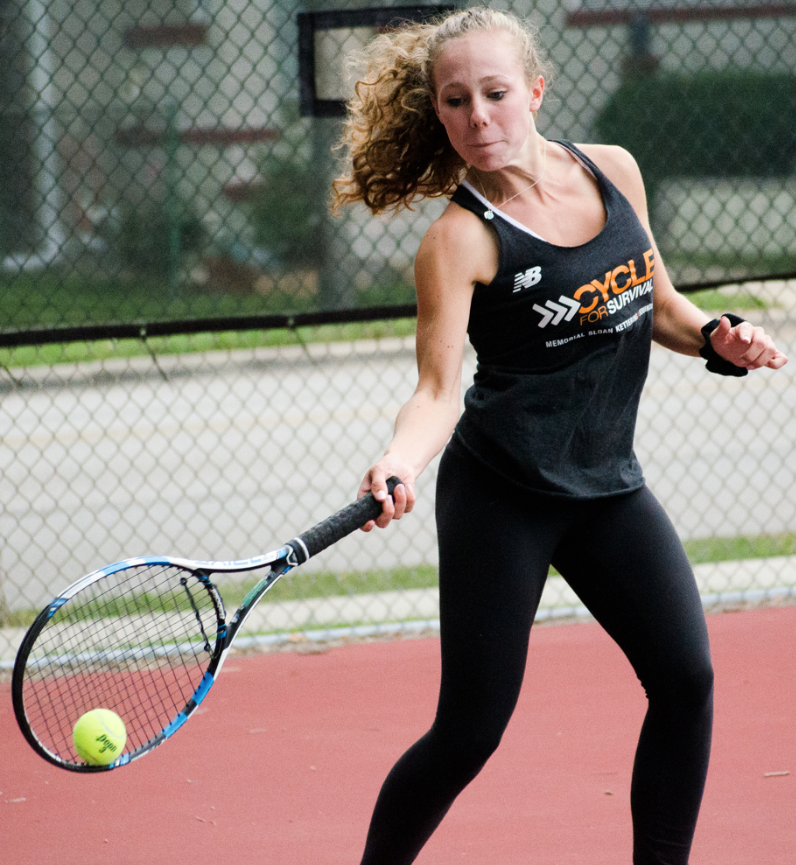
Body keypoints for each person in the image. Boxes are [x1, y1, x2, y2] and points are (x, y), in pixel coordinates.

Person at [332, 8, 788, 864]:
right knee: (470, 731)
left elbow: (657, 300)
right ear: (440, 113)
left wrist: (718, 336)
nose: (478, 117)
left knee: (686, 680)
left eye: (496, 94)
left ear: (535, 91)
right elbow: (435, 391)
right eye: (456, 101)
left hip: (607, 484)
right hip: (502, 495)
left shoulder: (613, 172)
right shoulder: (458, 239)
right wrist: (398, 460)